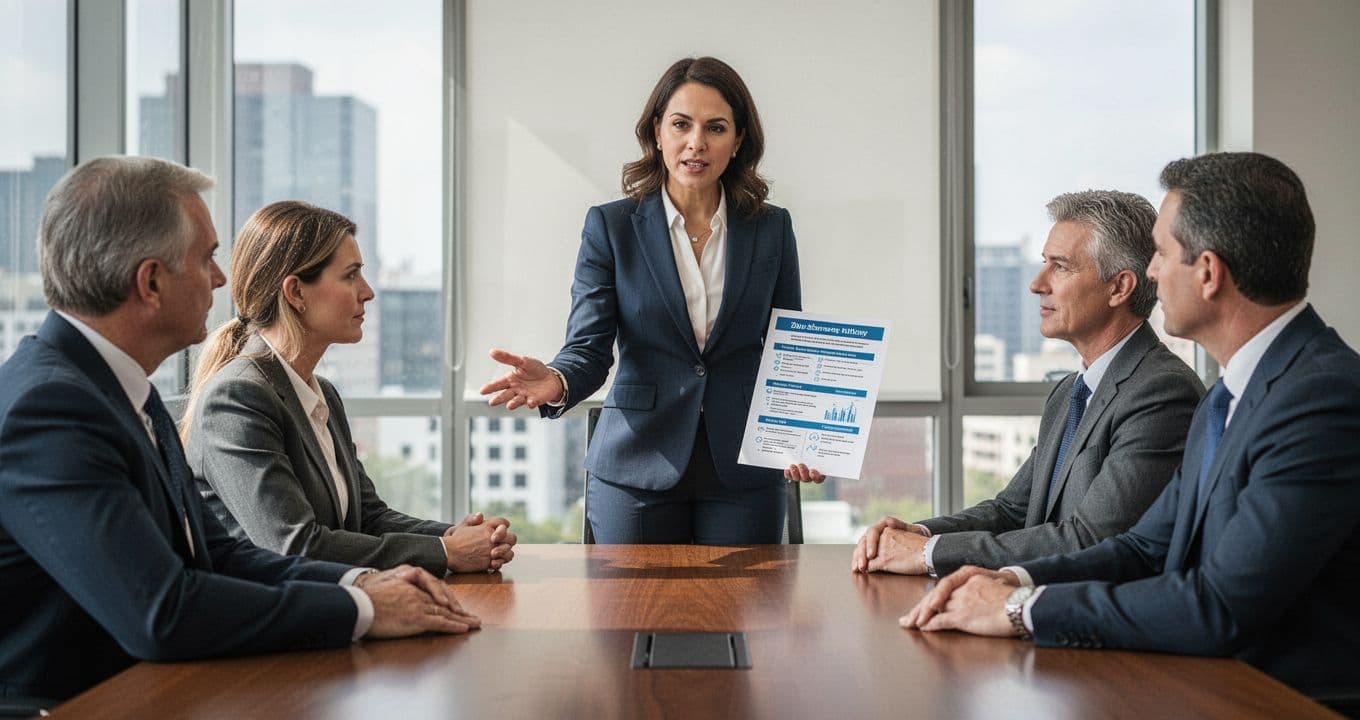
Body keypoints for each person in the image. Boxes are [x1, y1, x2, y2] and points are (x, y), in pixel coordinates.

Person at [0, 157, 479, 703]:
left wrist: (362, 583)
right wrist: (365, 609)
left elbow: (219, 554)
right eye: (205, 257)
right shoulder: (50, 409)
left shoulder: (125, 393)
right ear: (151, 281)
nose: (222, 278)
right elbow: (164, 611)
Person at [903, 152, 1360, 708]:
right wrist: (1014, 581)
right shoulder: (1227, 393)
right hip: (1206, 683)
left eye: (1163, 253)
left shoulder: (1321, 397)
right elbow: (1144, 547)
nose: (1150, 272)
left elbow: (1221, 607)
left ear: (1209, 273)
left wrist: (1021, 611)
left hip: (1281, 700)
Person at [790, 190, 1203, 576]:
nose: (1036, 283)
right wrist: (918, 533)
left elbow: (1090, 540)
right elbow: (1011, 510)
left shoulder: (1161, 392)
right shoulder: (1070, 393)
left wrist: (925, 554)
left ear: (1119, 287)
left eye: (1059, 266)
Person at [479, 56, 800, 544]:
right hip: (636, 467)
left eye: (715, 127)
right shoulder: (611, 228)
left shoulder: (771, 228)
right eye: (681, 124)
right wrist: (558, 379)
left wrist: (806, 434)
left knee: (746, 614)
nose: (696, 142)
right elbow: (588, 347)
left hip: (742, 469)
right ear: (656, 132)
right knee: (630, 616)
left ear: (738, 141)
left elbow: (788, 349)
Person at [182, 201, 516, 576]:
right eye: (351, 275)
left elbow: (368, 518)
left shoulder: (321, 394)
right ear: (296, 292)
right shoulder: (238, 399)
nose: (368, 291)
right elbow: (296, 546)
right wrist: (446, 551)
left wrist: (458, 536)